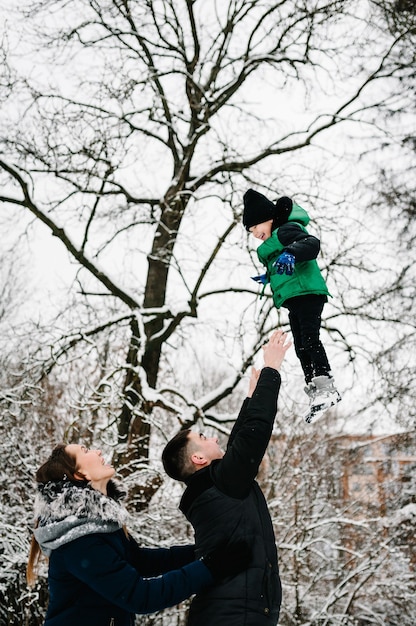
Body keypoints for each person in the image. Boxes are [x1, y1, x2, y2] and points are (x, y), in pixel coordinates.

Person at [27, 443, 251, 626]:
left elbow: (139, 560)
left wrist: (203, 552)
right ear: (78, 474)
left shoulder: (97, 526)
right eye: (85, 451)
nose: (97, 451)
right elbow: (140, 596)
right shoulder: (78, 540)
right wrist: (211, 567)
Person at [162, 330, 291, 626]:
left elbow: (238, 449)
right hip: (234, 617)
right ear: (198, 458)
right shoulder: (220, 484)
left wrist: (250, 397)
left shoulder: (215, 487)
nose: (213, 436)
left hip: (229, 614)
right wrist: (272, 369)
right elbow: (252, 436)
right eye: (204, 436)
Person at [242, 188, 341, 424]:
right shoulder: (274, 245)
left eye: (256, 226)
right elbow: (282, 260)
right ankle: (317, 390)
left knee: (309, 339)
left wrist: (291, 253)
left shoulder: (286, 230)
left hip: (307, 293)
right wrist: (270, 275)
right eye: (251, 231)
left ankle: (326, 385)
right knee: (300, 346)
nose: (255, 233)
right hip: (295, 297)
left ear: (269, 218)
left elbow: (311, 244)